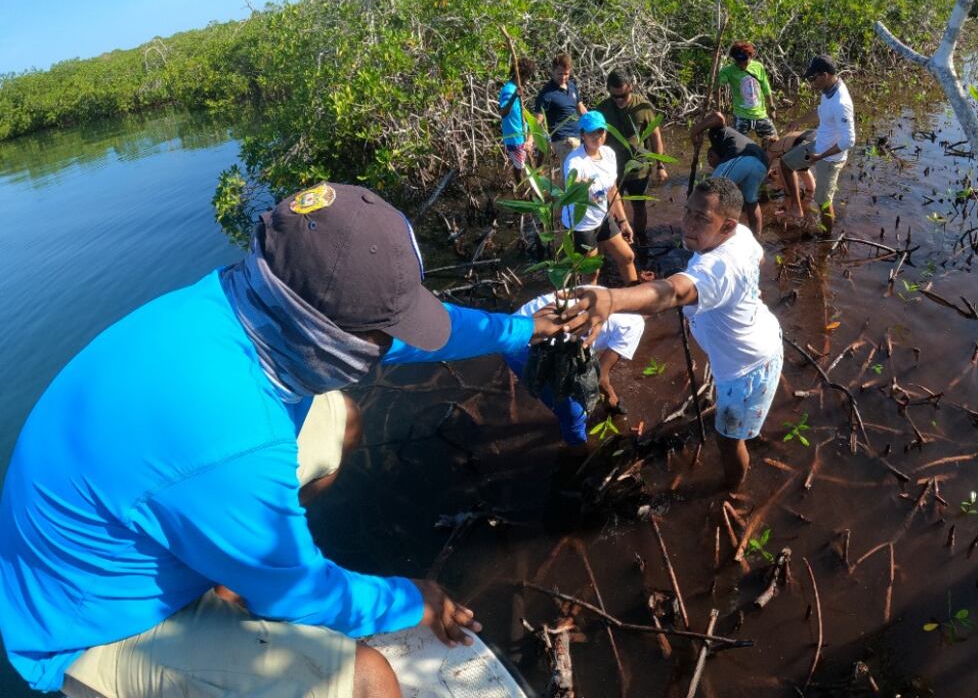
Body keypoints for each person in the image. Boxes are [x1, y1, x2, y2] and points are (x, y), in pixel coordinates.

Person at [0, 182, 561, 698]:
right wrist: (415, 598)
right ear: (323, 334)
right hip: (90, 626)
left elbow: (407, 336)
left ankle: (241, 573)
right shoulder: (240, 441)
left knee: (341, 419)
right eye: (380, 336)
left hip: (143, 511)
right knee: (368, 681)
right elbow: (306, 597)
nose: (388, 348)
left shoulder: (247, 299)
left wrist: (522, 330)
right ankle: (246, 579)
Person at [562, 177, 783, 491]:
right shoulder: (741, 236)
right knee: (731, 424)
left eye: (701, 218)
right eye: (688, 211)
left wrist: (610, 300)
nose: (688, 223)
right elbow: (758, 257)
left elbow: (676, 293)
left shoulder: (719, 268)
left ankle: (730, 491)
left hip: (746, 369)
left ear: (727, 226)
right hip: (755, 340)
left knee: (728, 441)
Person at [503, 288, 646, 452]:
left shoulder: (610, 294)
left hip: (514, 324)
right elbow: (600, 377)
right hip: (525, 342)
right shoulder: (635, 324)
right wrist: (611, 398)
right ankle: (578, 454)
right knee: (575, 412)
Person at [779, 56, 857, 233]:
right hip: (818, 145)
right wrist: (798, 121)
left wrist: (821, 156)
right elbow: (821, 111)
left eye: (813, 78)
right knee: (786, 163)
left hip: (830, 159)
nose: (811, 82)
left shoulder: (841, 103)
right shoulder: (828, 90)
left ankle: (826, 240)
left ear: (825, 75)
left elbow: (849, 140)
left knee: (823, 202)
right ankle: (797, 208)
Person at [562, 110, 639, 286]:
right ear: (582, 135)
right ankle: (587, 302)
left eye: (600, 131)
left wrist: (623, 221)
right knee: (591, 272)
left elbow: (612, 189)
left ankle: (635, 295)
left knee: (627, 257)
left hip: (603, 216)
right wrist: (581, 184)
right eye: (591, 132)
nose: (597, 136)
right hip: (581, 224)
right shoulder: (575, 161)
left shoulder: (609, 154)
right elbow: (573, 183)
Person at [596, 69, 669, 240]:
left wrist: (660, 166)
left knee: (639, 207)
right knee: (614, 206)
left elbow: (655, 136)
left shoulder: (643, 107)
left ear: (631, 87)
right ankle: (619, 239)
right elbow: (595, 138)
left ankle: (641, 238)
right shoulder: (603, 109)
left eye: (623, 95)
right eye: (615, 96)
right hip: (612, 170)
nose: (619, 100)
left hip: (639, 168)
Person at [690, 110, 769, 238]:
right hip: (762, 161)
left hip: (743, 156)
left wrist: (694, 132)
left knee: (707, 193)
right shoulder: (730, 141)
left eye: (711, 162)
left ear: (711, 155)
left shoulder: (718, 133)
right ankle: (756, 239)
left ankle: (699, 236)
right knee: (751, 201)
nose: (714, 166)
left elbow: (718, 116)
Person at [717, 41, 777, 143]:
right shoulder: (728, 71)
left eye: (745, 61)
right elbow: (717, 84)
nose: (742, 65)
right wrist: (716, 76)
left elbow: (766, 87)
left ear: (751, 56)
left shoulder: (758, 67)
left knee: (774, 141)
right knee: (735, 144)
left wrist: (772, 108)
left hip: (760, 114)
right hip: (741, 116)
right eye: (738, 62)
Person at [534, 52, 588, 163]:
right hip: (563, 139)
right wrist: (530, 140)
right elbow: (536, 120)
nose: (563, 77)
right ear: (553, 71)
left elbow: (581, 108)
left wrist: (594, 123)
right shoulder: (546, 93)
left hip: (579, 135)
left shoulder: (572, 86)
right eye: (560, 74)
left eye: (566, 74)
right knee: (573, 167)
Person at [499, 57, 537, 180]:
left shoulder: (515, 87)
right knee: (519, 167)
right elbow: (503, 113)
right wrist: (514, 96)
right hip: (515, 138)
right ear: (521, 75)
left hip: (522, 133)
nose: (528, 81)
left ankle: (531, 182)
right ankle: (521, 187)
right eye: (527, 77)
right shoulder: (509, 90)